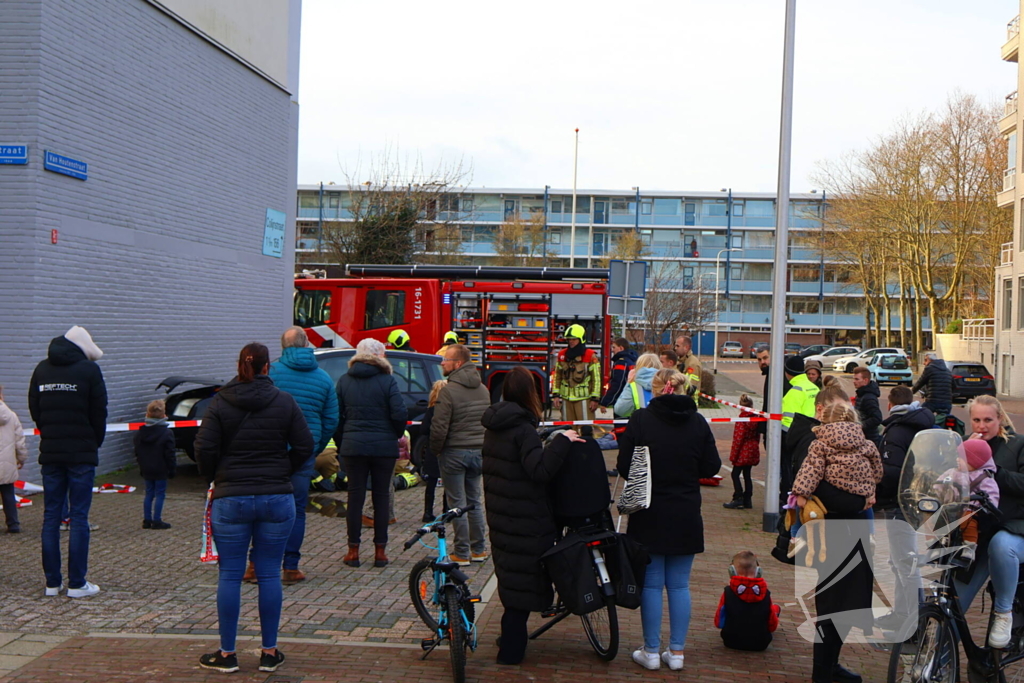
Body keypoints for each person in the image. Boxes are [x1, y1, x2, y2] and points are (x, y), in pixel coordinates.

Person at [194, 342, 314, 674]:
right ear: (266, 367)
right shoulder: (284, 401)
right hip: (276, 497)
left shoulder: (220, 401)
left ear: (240, 366)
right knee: (269, 573)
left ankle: (227, 654)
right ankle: (269, 652)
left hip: (231, 497)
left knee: (230, 574)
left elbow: (203, 447)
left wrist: (216, 476)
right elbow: (305, 444)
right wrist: (283, 470)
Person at [617, 369, 721, 672]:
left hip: (648, 510)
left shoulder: (641, 420)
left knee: (651, 584)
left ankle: (650, 650)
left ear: (655, 389)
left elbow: (624, 465)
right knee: (678, 585)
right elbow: (711, 466)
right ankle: (676, 652)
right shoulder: (697, 422)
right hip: (686, 511)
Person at [481, 366, 581, 665]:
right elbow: (539, 470)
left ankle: (510, 640)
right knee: (522, 585)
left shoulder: (495, 426)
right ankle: (511, 652)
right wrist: (562, 441)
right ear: (530, 393)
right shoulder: (522, 429)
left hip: (502, 517)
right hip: (525, 520)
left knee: (513, 581)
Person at [790, 401, 881, 683]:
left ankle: (826, 670)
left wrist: (800, 496)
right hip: (853, 533)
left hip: (831, 535)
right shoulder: (865, 444)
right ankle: (826, 669)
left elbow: (806, 479)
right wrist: (866, 493)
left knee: (833, 605)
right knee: (842, 605)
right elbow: (877, 474)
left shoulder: (820, 445)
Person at [253, 326, 340, 585]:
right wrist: (315, 446)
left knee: (263, 507)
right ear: (306, 344)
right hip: (304, 454)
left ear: (284, 347)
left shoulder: (272, 373)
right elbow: (331, 419)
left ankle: (255, 565)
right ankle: (290, 567)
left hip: (271, 452)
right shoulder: (323, 378)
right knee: (296, 510)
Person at [29, 325, 107, 598]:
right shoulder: (89, 370)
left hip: (51, 453)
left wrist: (50, 433)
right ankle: (77, 583)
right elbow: (99, 411)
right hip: (81, 454)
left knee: (51, 516)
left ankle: (52, 583)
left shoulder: (41, 369)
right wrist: (92, 442)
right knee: (79, 517)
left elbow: (35, 408)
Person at [953, 395, 1024, 650]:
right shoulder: (963, 445)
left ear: (1000, 419)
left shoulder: (1018, 444)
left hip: (1013, 525)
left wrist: (993, 470)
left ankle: (1004, 613)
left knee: (1002, 546)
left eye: (988, 420)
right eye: (976, 420)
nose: (982, 426)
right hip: (976, 530)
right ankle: (936, 658)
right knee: (954, 601)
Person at [335, 337, 408, 569]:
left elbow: (337, 417)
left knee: (355, 497)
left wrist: (344, 441)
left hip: (353, 447)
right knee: (381, 497)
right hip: (383, 448)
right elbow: (399, 413)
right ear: (378, 356)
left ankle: (353, 550)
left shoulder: (344, 380)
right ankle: (380, 552)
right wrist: (394, 434)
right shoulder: (388, 381)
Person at [873, 385, 933, 632]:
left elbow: (891, 472)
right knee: (900, 560)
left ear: (890, 404)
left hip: (899, 502)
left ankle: (911, 619)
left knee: (905, 562)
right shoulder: (920, 425)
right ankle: (904, 613)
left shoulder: (897, 431)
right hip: (916, 499)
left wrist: (876, 484)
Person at [430, 343, 490, 565]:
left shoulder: (448, 391)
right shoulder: (483, 389)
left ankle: (462, 552)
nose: (442, 363)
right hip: (478, 452)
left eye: (446, 359)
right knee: (474, 501)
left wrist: (435, 451)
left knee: (457, 504)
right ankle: (479, 549)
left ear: (458, 364)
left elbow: (439, 427)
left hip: (454, 452)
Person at [935, 439, 999, 562]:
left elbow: (992, 495)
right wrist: (935, 491)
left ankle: (969, 547)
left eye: (962, 457)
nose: (957, 459)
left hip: (971, 508)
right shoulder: (952, 472)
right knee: (938, 516)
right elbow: (940, 483)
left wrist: (986, 504)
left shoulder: (984, 477)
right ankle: (939, 542)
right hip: (951, 505)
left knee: (968, 520)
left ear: (974, 461)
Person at [714, 551, 781, 652]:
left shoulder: (728, 592)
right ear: (758, 571)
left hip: (731, 641)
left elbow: (718, 622)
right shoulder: (765, 593)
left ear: (732, 571)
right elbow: (772, 626)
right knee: (774, 609)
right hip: (761, 643)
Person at [134, 400, 176, 530]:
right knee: (160, 494)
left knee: (149, 493)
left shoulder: (140, 433)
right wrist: (172, 469)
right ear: (163, 415)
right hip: (161, 468)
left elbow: (137, 452)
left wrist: (141, 466)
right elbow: (170, 454)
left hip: (146, 468)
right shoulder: (166, 433)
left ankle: (147, 520)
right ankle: (157, 520)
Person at [779, 356, 819, 494]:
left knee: (788, 469)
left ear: (787, 372)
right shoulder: (814, 388)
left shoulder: (794, 392)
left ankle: (787, 497)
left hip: (795, 438)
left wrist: (783, 438)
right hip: (812, 434)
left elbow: (787, 420)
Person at [552, 324, 602, 422]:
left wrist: (595, 399)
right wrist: (556, 396)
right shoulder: (562, 355)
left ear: (581, 339)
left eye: (574, 339)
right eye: (569, 339)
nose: (571, 341)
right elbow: (557, 376)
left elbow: (596, 379)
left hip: (584, 399)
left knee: (585, 428)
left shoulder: (590, 356)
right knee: (568, 427)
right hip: (566, 399)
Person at [724, 394, 760, 510]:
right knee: (747, 475)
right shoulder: (756, 418)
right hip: (752, 449)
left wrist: (734, 456)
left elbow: (738, 439)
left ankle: (738, 497)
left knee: (735, 474)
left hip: (743, 450)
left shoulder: (742, 419)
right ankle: (747, 500)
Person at [0, 385, 28, 533]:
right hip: (6, 463)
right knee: (8, 494)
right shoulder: (11, 416)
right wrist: (21, 458)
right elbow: (19, 441)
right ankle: (13, 524)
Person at [419, 379, 446, 523]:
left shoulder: (431, 411)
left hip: (432, 449)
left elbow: (423, 429)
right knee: (448, 482)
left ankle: (428, 512)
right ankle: (447, 511)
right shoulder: (448, 410)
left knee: (431, 482)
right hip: (446, 449)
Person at [613, 353, 662, 418]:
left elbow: (620, 410)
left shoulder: (633, 386)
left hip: (641, 422)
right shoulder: (667, 383)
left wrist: (629, 382)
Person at [599, 338, 637, 411]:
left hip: (621, 400)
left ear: (621, 348)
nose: (612, 350)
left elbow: (617, 384)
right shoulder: (631, 361)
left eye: (614, 347)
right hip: (630, 399)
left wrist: (605, 402)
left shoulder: (621, 362)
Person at [911, 352, 952, 418]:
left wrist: (910, 393)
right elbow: (953, 385)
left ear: (931, 360)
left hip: (932, 402)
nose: (924, 363)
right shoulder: (947, 371)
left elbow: (920, 383)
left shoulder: (929, 368)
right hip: (947, 403)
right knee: (945, 419)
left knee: (921, 415)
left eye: (925, 360)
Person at [851, 367, 883, 447]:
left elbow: (877, 418)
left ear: (865, 380)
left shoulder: (869, 398)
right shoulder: (861, 394)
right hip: (863, 437)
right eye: (854, 379)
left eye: (857, 379)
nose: (854, 381)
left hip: (869, 439)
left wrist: (860, 425)